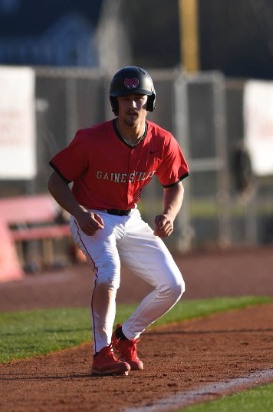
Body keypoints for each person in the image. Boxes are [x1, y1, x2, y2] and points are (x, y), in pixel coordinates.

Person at [47, 66, 189, 376]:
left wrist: (169, 214)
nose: (132, 105)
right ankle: (101, 353)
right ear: (115, 104)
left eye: (139, 98)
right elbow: (56, 181)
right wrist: (79, 213)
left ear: (149, 102)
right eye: (125, 99)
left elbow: (175, 184)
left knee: (173, 285)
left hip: (131, 218)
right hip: (93, 217)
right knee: (109, 274)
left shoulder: (162, 141)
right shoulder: (91, 139)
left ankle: (126, 336)